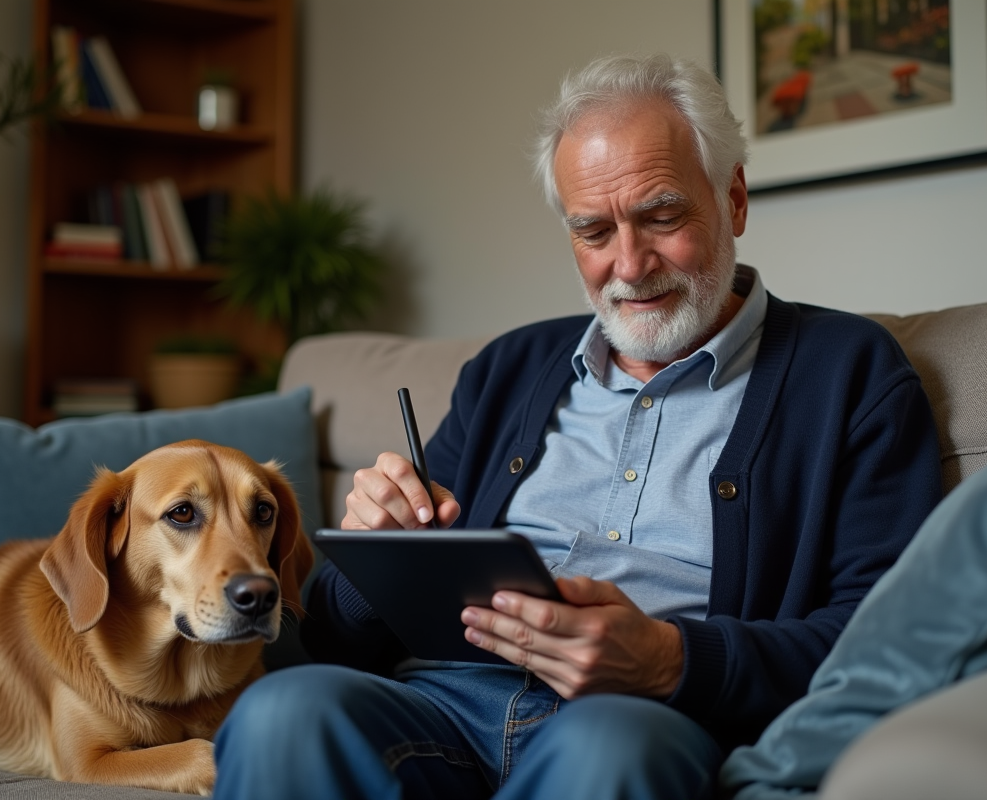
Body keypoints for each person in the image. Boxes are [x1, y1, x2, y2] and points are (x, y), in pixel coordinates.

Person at [213, 53, 942, 800]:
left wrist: (670, 659)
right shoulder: (510, 368)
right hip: (444, 700)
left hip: (641, 717)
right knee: (281, 712)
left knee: (608, 748)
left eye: (662, 217)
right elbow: (336, 635)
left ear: (735, 200)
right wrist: (378, 557)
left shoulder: (849, 372)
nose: (629, 264)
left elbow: (887, 638)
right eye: (593, 231)